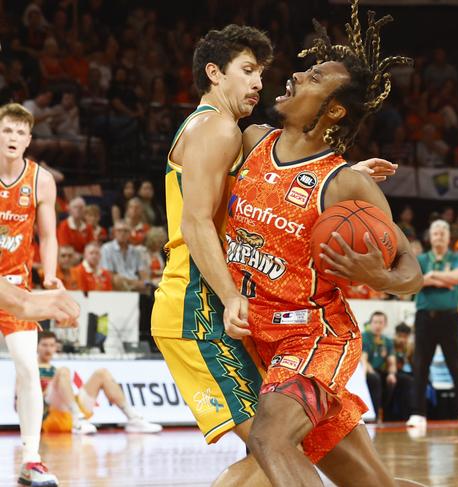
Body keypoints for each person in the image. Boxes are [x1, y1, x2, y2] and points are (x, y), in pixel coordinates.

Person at [150, 21, 401, 487]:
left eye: (261, 72)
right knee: (272, 448)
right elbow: (196, 222)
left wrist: (338, 180)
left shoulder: (222, 131)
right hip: (200, 305)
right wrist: (228, 296)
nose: (259, 83)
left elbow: (278, 184)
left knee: (365, 480)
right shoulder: (220, 128)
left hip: (263, 321)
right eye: (247, 70)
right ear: (214, 73)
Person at [224, 8, 422, 483]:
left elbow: (410, 268)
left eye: (312, 77)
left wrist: (381, 277)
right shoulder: (250, 141)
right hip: (255, 339)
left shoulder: (344, 185)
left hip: (315, 338)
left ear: (333, 110)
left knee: (269, 441)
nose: (293, 75)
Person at [0, 103, 65, 486]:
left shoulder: (41, 179)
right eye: (7, 130)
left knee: (27, 368)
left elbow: (50, 236)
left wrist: (52, 276)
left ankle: (32, 459)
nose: (13, 138)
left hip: (17, 289)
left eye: (20, 133)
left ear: (29, 139)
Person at [407, 220, 458, 430]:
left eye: (443, 232)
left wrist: (433, 276)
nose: (439, 236)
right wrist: (444, 281)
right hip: (425, 317)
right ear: (430, 236)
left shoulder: (456, 258)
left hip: (450, 318)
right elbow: (414, 281)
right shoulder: (421, 259)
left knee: (456, 365)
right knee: (420, 365)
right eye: (436, 232)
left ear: (448, 237)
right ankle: (418, 413)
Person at [37, 331, 162, 434]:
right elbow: (18, 403)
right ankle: (77, 417)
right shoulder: (30, 368)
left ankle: (133, 418)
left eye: (51, 345)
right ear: (36, 346)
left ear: (56, 347)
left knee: (101, 373)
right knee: (63, 371)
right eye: (44, 345)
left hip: (70, 413)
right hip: (49, 415)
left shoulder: (54, 369)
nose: (48, 349)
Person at [362, 311, 398, 420]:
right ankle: (375, 416)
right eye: (375, 322)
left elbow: (392, 361)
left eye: (380, 322)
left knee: (403, 380)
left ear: (385, 324)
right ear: (370, 323)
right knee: (375, 379)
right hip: (366, 370)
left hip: (381, 370)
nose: (378, 325)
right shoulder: (365, 337)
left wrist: (392, 374)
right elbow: (363, 359)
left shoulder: (387, 341)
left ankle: (390, 417)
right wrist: (370, 372)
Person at [100, 220, 149, 292]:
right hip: (119, 283)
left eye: (126, 231)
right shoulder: (106, 248)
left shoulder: (135, 251)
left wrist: (146, 282)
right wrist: (134, 282)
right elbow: (108, 273)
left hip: (135, 283)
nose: (122, 233)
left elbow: (142, 271)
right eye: (119, 231)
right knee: (116, 279)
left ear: (130, 233)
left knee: (150, 283)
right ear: (114, 233)